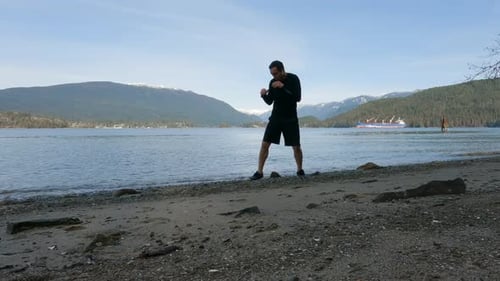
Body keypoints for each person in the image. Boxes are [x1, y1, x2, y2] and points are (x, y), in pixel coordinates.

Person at [250, 60, 304, 180]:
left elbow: (297, 97)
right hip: (275, 118)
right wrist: (263, 95)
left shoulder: (293, 78)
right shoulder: (272, 82)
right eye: (272, 74)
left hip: (290, 118)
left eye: (275, 74)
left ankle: (300, 170)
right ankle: (259, 172)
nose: (274, 77)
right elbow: (270, 101)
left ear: (282, 70)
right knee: (264, 144)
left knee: (296, 146)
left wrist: (283, 86)